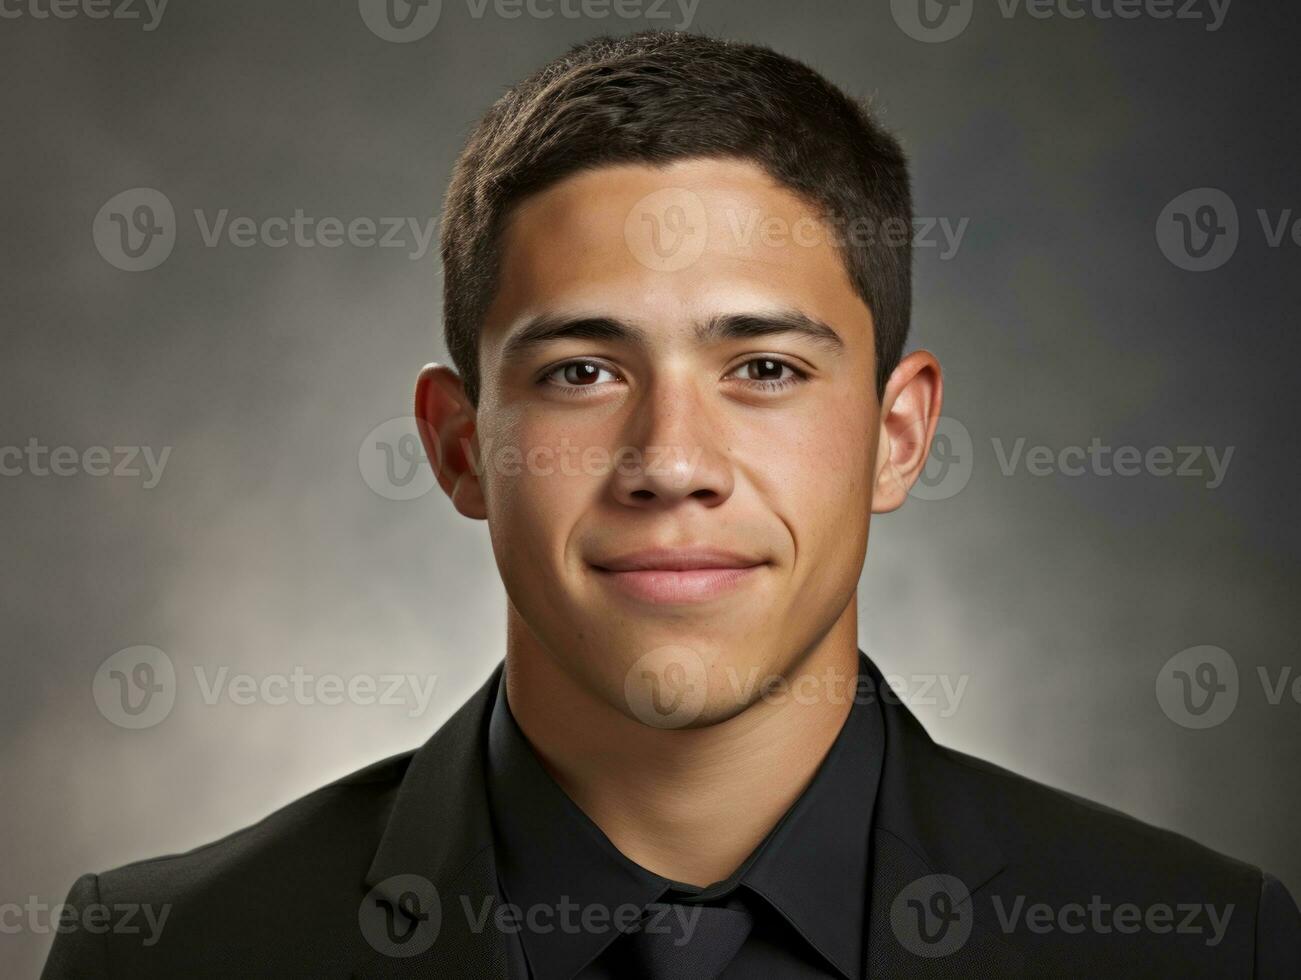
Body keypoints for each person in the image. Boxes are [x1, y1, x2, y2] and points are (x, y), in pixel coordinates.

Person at [44, 30, 1298, 979]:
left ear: (895, 435)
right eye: (582, 371)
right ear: (460, 444)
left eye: (763, 368)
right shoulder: (168, 950)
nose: (670, 459)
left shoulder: (1203, 945)